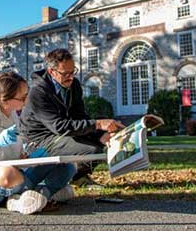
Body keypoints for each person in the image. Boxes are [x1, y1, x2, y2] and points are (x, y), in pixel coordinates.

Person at [0, 71, 76, 215]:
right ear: (5, 99)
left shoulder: (13, 115)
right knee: (7, 173)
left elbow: (16, 154)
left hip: (17, 177)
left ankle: (29, 197)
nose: (27, 101)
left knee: (67, 165)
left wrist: (30, 157)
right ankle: (46, 192)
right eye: (23, 98)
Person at [19, 48, 125, 184]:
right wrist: (98, 124)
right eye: (65, 74)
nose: (70, 77)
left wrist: (99, 135)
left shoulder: (74, 85)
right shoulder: (37, 92)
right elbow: (59, 126)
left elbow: (79, 116)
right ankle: (67, 178)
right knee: (90, 151)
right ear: (52, 72)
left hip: (59, 134)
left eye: (73, 72)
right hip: (38, 140)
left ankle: (77, 176)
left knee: (99, 146)